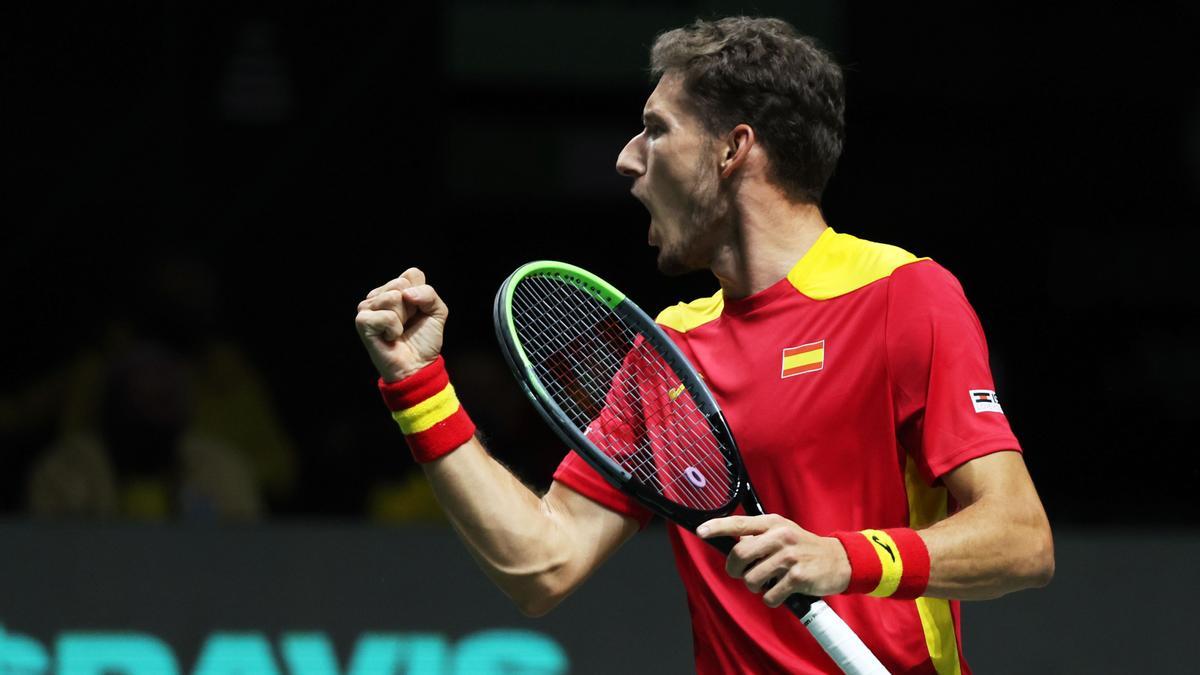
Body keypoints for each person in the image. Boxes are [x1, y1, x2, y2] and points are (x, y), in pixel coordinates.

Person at [355, 16, 1053, 674]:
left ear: (732, 150)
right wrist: (419, 389)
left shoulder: (902, 295)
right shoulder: (670, 353)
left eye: (656, 130)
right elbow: (543, 563)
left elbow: (1021, 538)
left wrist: (845, 559)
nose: (629, 161)